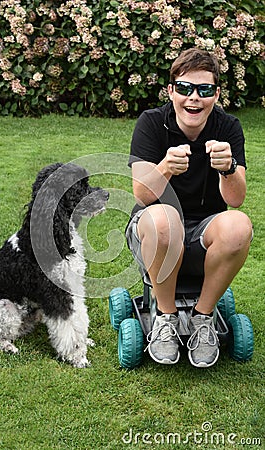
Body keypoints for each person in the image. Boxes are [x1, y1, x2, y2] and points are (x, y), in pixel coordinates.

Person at [125, 47, 253, 368]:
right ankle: (166, 318)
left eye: (204, 90)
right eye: (184, 88)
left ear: (216, 94)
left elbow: (236, 199)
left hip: (202, 233)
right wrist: (165, 167)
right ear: (171, 91)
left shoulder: (228, 128)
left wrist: (228, 167)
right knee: (165, 219)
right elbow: (141, 193)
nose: (193, 98)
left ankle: (202, 317)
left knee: (239, 225)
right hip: (154, 231)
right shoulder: (152, 124)